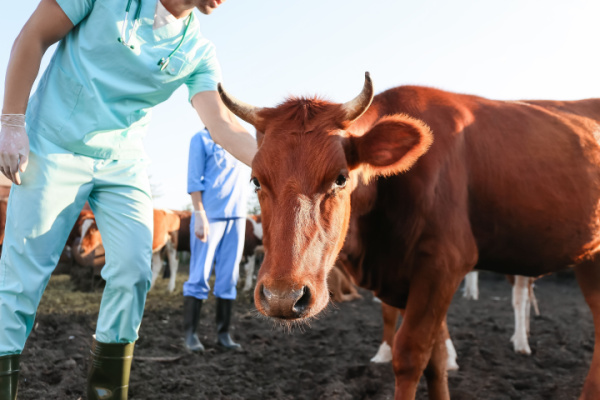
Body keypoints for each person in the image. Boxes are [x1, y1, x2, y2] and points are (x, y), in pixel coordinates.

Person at [0, 0, 256, 399]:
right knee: (21, 280)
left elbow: (222, 124)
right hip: (55, 144)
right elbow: (33, 36)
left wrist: (280, 164)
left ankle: (106, 392)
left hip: (122, 161)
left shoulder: (197, 52)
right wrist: (12, 120)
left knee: (136, 273)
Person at [183, 127, 249, 352]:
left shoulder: (242, 138)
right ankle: (191, 335)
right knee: (199, 274)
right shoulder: (200, 139)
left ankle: (223, 334)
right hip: (209, 216)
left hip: (238, 216)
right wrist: (199, 214)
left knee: (230, 276)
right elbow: (194, 180)